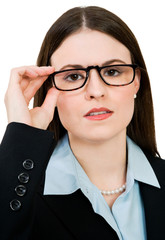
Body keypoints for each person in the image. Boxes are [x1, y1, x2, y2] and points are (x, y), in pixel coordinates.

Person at [0, 5, 165, 240]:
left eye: (112, 71)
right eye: (74, 76)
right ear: (49, 89)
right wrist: (20, 135)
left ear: (136, 82)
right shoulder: (19, 193)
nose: (96, 91)